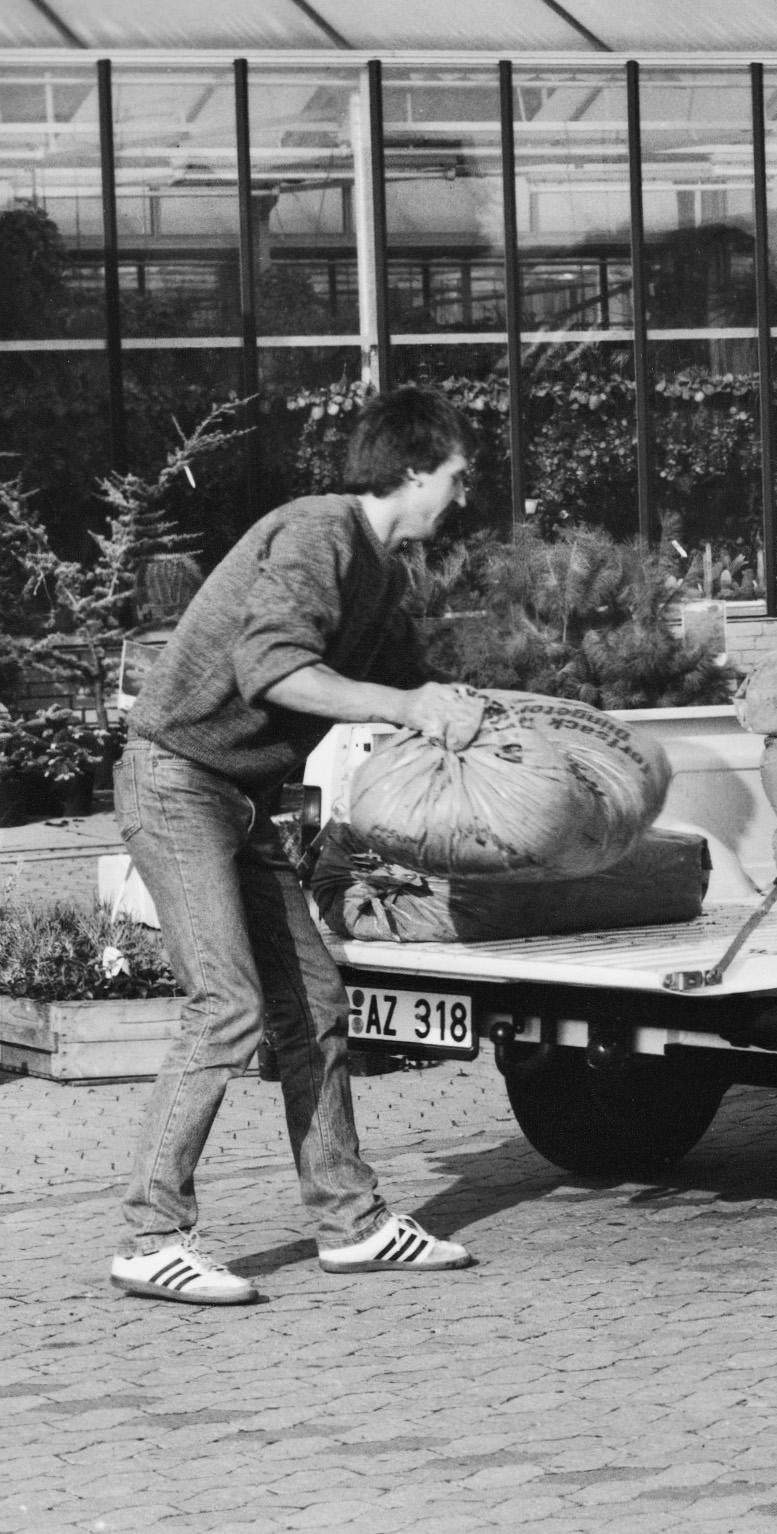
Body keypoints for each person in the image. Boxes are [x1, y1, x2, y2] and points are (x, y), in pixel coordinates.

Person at [108, 386, 489, 1306]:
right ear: (413, 470)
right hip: (177, 783)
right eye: (456, 475)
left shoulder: (379, 574)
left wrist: (486, 711)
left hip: (241, 800)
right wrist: (407, 706)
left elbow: (413, 679)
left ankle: (352, 1224)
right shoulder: (318, 533)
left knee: (314, 1004)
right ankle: (151, 1237)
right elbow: (273, 668)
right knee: (226, 1006)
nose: (462, 494)